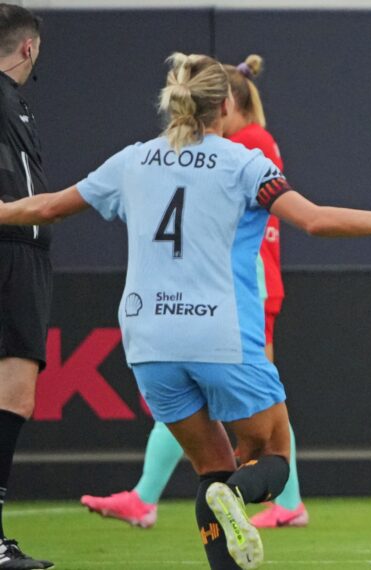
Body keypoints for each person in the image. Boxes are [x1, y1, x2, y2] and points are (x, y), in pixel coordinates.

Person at [0, 53, 371, 569]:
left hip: (147, 340)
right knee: (271, 454)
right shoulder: (245, 163)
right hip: (220, 333)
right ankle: (239, 495)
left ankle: (224, 516)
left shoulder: (131, 159)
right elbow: (313, 221)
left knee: (212, 467)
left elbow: (44, 208)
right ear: (224, 105)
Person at [79, 54, 310, 530]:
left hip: (233, 294)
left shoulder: (246, 147)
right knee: (247, 421)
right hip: (219, 297)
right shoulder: (237, 150)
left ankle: (279, 501)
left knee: (250, 424)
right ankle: (245, 496)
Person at [0, 5, 52, 569]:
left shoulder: (15, 104)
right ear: (28, 49)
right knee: (13, 393)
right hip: (10, 253)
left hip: (22, 253)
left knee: (14, 393)